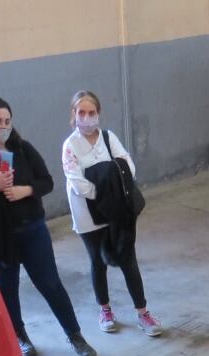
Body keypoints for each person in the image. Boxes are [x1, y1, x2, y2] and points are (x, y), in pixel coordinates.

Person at [0, 95, 95, 356]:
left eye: (7, 121)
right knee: (7, 289)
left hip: (32, 231)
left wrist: (26, 190)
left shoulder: (24, 149)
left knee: (50, 283)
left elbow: (47, 182)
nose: (2, 126)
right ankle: (20, 335)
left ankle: (75, 336)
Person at [62, 90, 162, 338]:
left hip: (117, 212)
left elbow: (127, 167)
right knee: (97, 261)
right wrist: (107, 186)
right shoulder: (70, 146)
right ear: (74, 115)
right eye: (81, 113)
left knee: (128, 260)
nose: (86, 118)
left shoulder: (109, 138)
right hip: (87, 214)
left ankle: (143, 312)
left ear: (99, 114)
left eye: (91, 112)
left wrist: (105, 181)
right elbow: (77, 182)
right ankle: (105, 309)